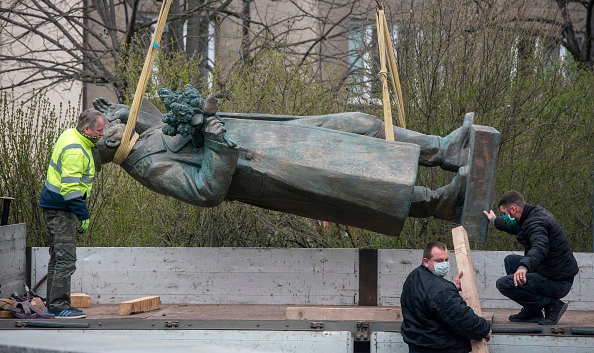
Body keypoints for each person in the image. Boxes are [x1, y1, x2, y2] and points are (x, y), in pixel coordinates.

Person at [92, 86, 478, 235]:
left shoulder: (143, 131)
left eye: (112, 118)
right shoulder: (146, 163)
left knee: (362, 124)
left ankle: (444, 149)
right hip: (265, 168)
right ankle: (440, 203)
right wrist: (212, 135)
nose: (116, 121)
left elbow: (154, 112)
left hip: (277, 133)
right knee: (364, 185)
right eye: (107, 125)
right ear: (105, 145)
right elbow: (205, 191)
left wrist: (134, 110)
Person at [38, 109, 107, 319]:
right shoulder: (76, 149)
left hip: (53, 204)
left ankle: (53, 303)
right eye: (99, 130)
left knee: (57, 257)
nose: (102, 134)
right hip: (61, 208)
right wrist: (83, 214)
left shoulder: (72, 134)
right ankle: (59, 306)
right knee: (66, 259)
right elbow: (69, 189)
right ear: (86, 129)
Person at [483, 190, 578, 325]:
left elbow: (540, 247)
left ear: (513, 209)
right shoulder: (529, 215)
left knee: (504, 284)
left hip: (557, 281)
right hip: (550, 271)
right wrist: (493, 220)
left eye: (505, 214)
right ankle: (532, 310)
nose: (504, 217)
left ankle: (553, 305)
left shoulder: (536, 223)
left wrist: (524, 266)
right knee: (510, 261)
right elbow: (513, 226)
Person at [400, 241, 491, 353]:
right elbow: (462, 318)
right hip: (439, 347)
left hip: (417, 344)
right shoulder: (441, 290)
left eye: (446, 260)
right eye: (439, 260)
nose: (444, 264)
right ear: (426, 261)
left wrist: (451, 287)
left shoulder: (414, 276)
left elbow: (428, 296)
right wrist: (484, 329)